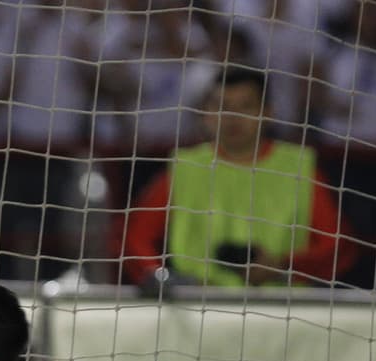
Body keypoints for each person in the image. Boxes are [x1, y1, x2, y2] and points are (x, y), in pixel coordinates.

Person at [121, 66, 357, 289]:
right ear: (205, 114)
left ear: (268, 113)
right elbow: (136, 239)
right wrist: (167, 281)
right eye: (222, 106)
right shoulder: (184, 167)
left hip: (282, 314)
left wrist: (283, 265)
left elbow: (337, 247)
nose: (232, 117)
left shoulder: (300, 169)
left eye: (245, 106)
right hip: (197, 312)